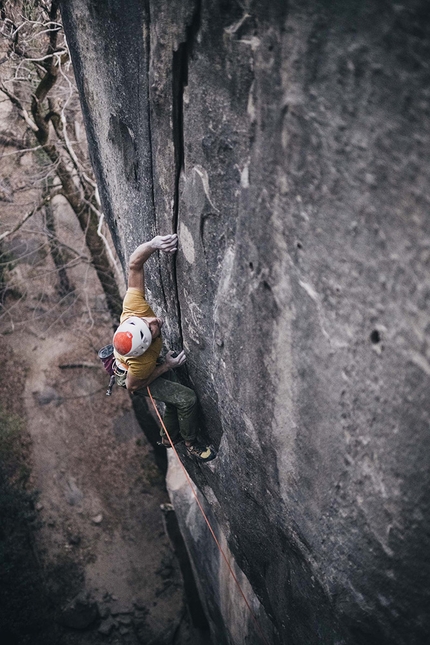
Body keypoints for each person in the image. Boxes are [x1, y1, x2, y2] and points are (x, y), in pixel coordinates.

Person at [112, 234, 216, 463]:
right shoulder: (142, 363)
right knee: (186, 398)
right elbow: (133, 385)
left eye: (147, 322)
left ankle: (168, 437)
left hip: (131, 360)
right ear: (146, 346)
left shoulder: (134, 309)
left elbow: (134, 264)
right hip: (132, 377)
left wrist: (152, 245)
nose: (155, 322)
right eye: (152, 330)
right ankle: (190, 444)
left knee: (173, 395)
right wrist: (166, 365)